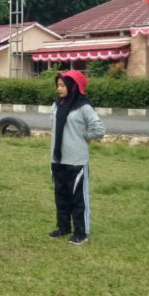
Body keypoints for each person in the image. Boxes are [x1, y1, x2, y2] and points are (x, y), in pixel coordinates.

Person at [50, 70, 105, 245]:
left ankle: (81, 232)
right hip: (58, 159)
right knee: (60, 195)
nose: (59, 89)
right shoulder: (56, 105)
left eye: (62, 85)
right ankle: (64, 226)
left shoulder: (84, 107)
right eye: (57, 85)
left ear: (73, 86)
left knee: (78, 198)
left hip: (76, 160)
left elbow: (99, 129)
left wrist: (85, 136)